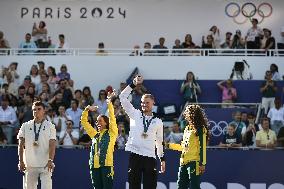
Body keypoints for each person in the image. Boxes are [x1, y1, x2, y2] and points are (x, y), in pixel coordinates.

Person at [119, 75, 165, 189]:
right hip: (135, 155)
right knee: (134, 186)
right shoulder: (135, 114)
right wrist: (133, 84)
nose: (144, 104)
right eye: (142, 102)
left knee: (150, 187)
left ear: (153, 103)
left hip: (150, 157)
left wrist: (162, 158)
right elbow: (122, 97)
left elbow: (159, 142)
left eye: (147, 102)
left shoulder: (158, 122)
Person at [80, 91, 118, 189]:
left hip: (106, 166)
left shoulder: (111, 133)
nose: (97, 123)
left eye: (100, 121)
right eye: (96, 121)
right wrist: (87, 109)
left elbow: (112, 118)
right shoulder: (95, 135)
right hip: (94, 167)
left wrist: (109, 102)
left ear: (106, 123)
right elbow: (84, 122)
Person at [166, 104, 208, 189]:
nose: (185, 114)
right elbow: (183, 147)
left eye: (187, 112)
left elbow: (202, 147)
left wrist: (202, 163)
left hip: (194, 162)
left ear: (192, 114)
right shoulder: (187, 129)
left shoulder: (200, 128)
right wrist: (167, 145)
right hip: (183, 162)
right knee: (180, 186)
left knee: (194, 186)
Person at [17, 101, 56, 189]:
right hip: (30, 164)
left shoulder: (50, 126)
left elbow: (52, 145)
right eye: (34, 109)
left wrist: (50, 160)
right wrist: (21, 161)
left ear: (44, 111)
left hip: (46, 164)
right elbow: (21, 145)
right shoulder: (25, 126)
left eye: (39, 109)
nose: (36, 111)